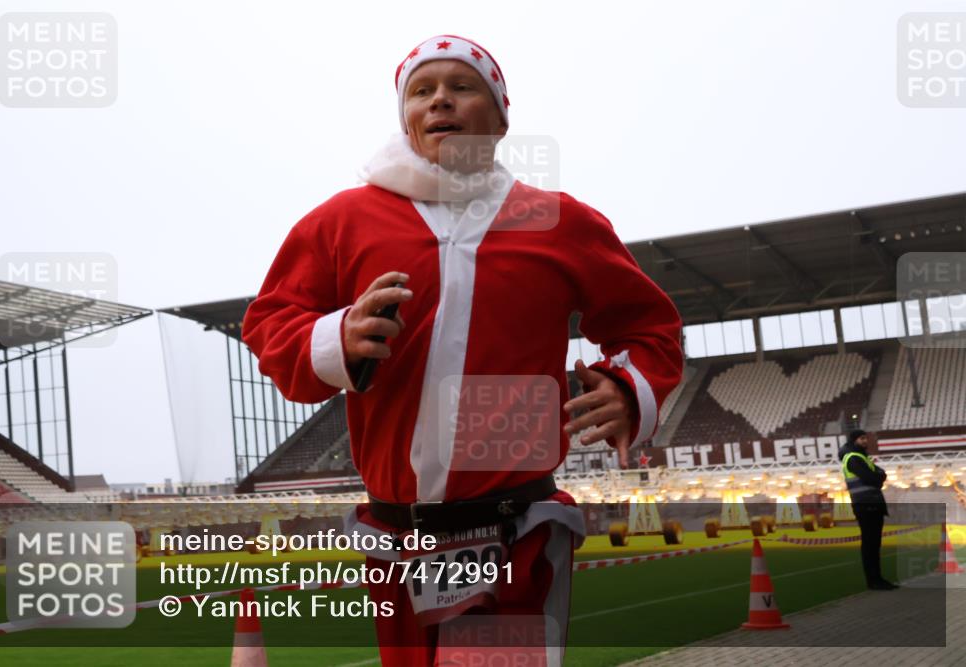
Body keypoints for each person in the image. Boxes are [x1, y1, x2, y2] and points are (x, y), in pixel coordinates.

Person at [242, 34, 683, 666]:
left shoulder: (559, 220)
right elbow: (270, 323)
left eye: (461, 86)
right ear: (406, 118)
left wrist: (626, 385)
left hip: (513, 533)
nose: (440, 100)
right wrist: (335, 338)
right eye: (421, 91)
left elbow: (650, 326)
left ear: (501, 116)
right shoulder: (339, 221)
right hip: (397, 538)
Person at [839, 429, 898, 590]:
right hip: (866, 505)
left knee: (873, 544)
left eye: (865, 438)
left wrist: (879, 477)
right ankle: (874, 580)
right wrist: (879, 478)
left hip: (870, 504)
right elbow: (874, 478)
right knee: (870, 544)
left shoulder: (860, 457)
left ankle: (876, 579)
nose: (865, 441)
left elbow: (881, 474)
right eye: (861, 438)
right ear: (854, 440)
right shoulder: (853, 458)